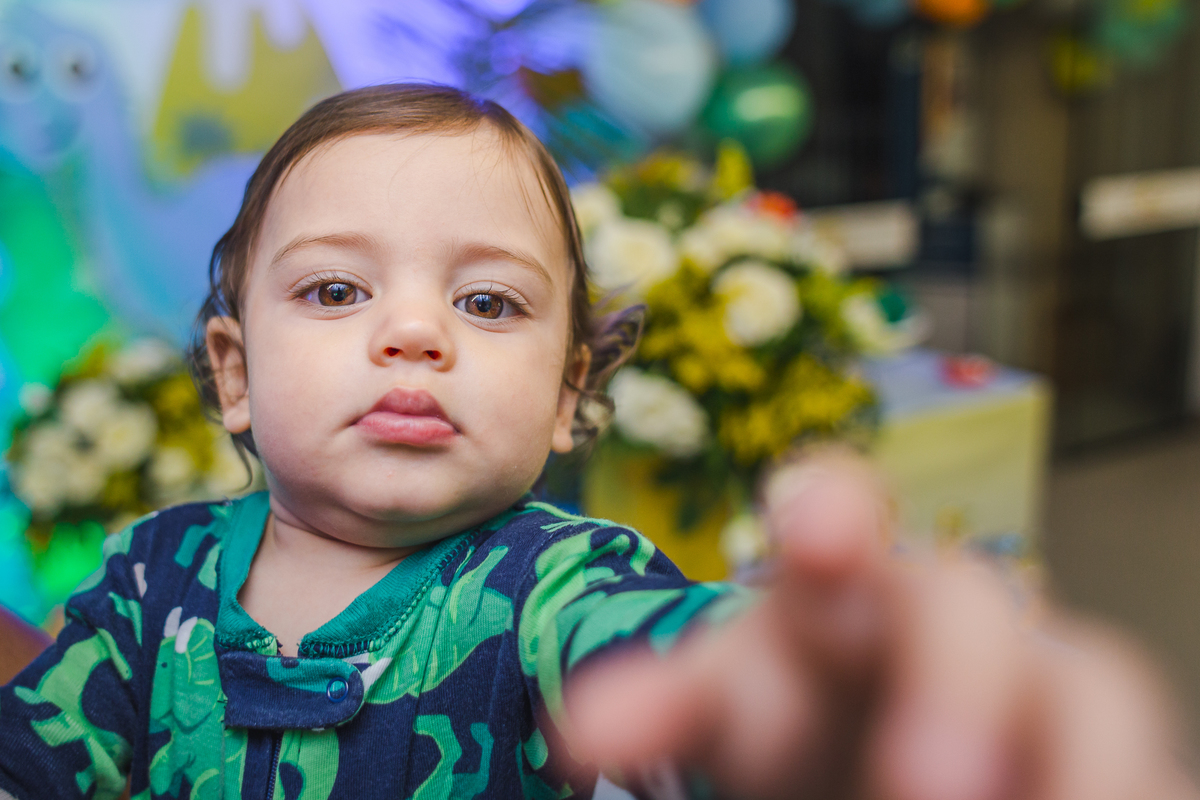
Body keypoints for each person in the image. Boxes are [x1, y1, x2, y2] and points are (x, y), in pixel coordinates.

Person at [0, 84, 1192, 800]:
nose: (414, 331)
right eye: (332, 291)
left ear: (569, 391)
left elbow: (667, 659)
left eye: (489, 304)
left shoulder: (556, 582)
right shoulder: (151, 579)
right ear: (236, 371)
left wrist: (803, 697)